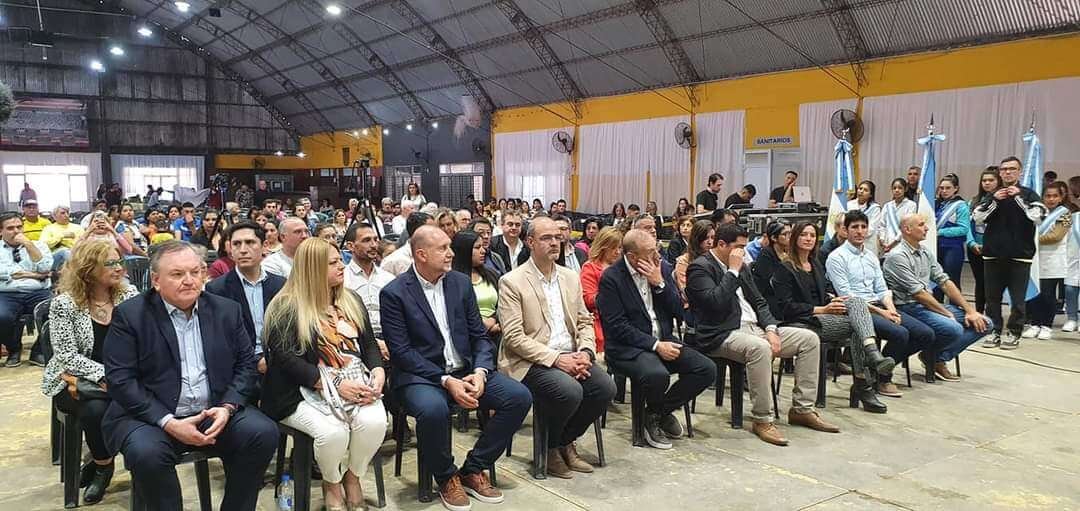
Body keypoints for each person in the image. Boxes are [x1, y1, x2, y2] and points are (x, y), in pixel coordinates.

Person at [101, 241, 278, 511]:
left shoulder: (226, 310)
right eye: (177, 274)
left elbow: (246, 365)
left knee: (262, 433)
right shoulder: (131, 315)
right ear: (157, 281)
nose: (189, 281)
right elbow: (120, 380)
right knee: (146, 453)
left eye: (195, 272)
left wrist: (227, 407)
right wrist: (168, 422)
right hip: (152, 415)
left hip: (214, 410)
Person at [380, 226, 531, 511]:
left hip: (466, 371)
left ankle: (473, 468)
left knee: (518, 397)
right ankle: (446, 476)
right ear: (421, 255)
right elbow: (402, 353)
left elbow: (479, 336)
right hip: (420, 377)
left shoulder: (460, 284)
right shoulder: (394, 293)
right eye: (443, 248)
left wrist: (481, 372)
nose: (451, 253)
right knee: (434, 409)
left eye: (450, 247)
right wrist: (445, 379)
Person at [261, 238, 386, 511]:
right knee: (333, 434)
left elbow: (368, 344)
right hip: (299, 392)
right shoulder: (285, 306)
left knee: (376, 421)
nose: (341, 266)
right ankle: (332, 483)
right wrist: (334, 384)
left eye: (340, 259)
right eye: (333, 263)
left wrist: (377, 371)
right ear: (312, 268)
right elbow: (286, 360)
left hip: (353, 382)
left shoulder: (349, 300)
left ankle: (352, 477)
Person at [685, 223, 836, 446]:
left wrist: (771, 329)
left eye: (745, 247)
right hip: (722, 333)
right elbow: (714, 303)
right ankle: (762, 419)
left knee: (809, 339)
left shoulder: (744, 267)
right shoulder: (700, 268)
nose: (742, 252)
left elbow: (759, 302)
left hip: (755, 328)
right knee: (760, 348)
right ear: (721, 245)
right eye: (738, 247)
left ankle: (802, 409)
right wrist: (733, 271)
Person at [497, 216, 614, 475]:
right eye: (546, 238)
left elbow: (585, 320)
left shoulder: (570, 277)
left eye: (558, 237)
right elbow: (515, 337)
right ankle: (549, 449)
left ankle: (562, 442)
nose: (555, 242)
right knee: (569, 391)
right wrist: (557, 359)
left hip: (571, 354)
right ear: (529, 242)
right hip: (530, 360)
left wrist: (585, 352)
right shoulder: (512, 281)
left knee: (605, 388)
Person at [40, 241, 138, 503]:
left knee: (125, 400)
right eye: (110, 263)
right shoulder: (65, 304)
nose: (119, 268)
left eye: (120, 262)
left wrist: (118, 376)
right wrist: (104, 375)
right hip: (73, 378)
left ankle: (97, 461)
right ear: (88, 268)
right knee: (96, 409)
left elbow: (141, 343)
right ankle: (105, 466)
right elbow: (66, 356)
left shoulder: (129, 296)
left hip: (119, 377)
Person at [599, 229, 715, 449]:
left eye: (656, 249)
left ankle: (655, 412)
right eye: (650, 252)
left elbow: (679, 312)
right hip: (628, 348)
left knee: (706, 369)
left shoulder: (661, 269)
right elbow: (617, 327)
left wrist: (660, 284)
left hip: (663, 339)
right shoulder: (612, 278)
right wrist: (655, 345)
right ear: (632, 257)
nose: (656, 255)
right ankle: (653, 419)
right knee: (657, 374)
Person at [772, 222, 894, 413]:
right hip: (801, 322)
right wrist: (822, 309)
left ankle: (868, 364)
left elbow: (825, 290)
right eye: (804, 234)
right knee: (857, 327)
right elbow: (785, 307)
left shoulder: (815, 264)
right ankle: (864, 383)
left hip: (824, 317)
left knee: (855, 305)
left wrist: (833, 298)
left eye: (812, 235)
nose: (809, 239)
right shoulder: (785, 268)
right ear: (795, 238)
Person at [826, 210, 937, 395]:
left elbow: (882, 288)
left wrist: (891, 309)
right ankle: (883, 379)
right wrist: (883, 313)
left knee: (926, 334)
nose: (860, 231)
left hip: (881, 306)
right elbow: (848, 296)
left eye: (863, 227)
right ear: (845, 230)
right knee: (900, 334)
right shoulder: (836, 257)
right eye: (855, 227)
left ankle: (878, 368)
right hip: (856, 310)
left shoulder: (870, 256)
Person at [884, 213, 993, 380]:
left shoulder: (924, 252)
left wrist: (970, 310)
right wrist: (946, 313)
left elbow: (944, 281)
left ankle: (936, 357)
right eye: (921, 225)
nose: (926, 228)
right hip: (908, 307)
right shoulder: (897, 256)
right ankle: (933, 356)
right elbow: (918, 293)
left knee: (985, 323)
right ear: (907, 229)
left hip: (926, 305)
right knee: (953, 328)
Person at [972, 156, 1045, 350]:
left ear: (1019, 171)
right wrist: (995, 201)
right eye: (1004, 169)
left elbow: (1037, 217)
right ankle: (994, 331)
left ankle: (1014, 333)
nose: (1007, 172)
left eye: (1012, 169)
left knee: (1017, 299)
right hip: (993, 254)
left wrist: (1019, 198)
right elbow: (978, 218)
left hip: (1020, 255)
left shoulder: (1029, 194)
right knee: (992, 298)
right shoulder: (993, 195)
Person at [204, 222, 285, 381]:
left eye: (250, 242)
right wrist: (255, 362)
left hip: (279, 363)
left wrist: (271, 359)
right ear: (230, 250)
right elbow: (221, 340)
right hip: (238, 368)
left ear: (264, 246)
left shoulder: (281, 285)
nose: (242, 250)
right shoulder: (216, 289)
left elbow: (288, 332)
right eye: (236, 244)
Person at [1022, 182, 1074, 340]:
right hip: (1035, 259)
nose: (1051, 199)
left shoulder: (1065, 213)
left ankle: (1046, 325)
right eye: (1047, 196)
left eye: (1055, 196)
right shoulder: (1038, 212)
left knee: (1048, 294)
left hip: (1053, 260)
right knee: (1034, 293)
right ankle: (1035, 324)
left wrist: (1029, 240)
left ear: (1061, 197)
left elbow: (1056, 236)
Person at [343, 223, 395, 363]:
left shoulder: (388, 278)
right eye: (366, 240)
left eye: (375, 239)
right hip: (356, 341)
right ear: (350, 246)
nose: (373, 245)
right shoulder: (342, 279)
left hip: (391, 339)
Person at [452, 231, 503, 348]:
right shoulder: (452, 279)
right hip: (468, 336)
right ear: (464, 250)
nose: (483, 251)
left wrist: (494, 320)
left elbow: (504, 303)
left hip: (496, 331)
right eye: (477, 247)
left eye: (483, 247)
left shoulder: (491, 274)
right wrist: (481, 324)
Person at [580, 227, 622, 354]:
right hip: (601, 321)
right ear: (603, 247)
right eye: (614, 248)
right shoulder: (590, 267)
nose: (617, 252)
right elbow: (588, 300)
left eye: (620, 248)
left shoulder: (622, 268)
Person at [967, 168, 1002, 313]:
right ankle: (979, 313)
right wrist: (971, 243)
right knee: (980, 282)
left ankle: (993, 314)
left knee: (994, 284)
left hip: (995, 249)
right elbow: (967, 226)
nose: (987, 183)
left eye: (991, 180)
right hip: (976, 248)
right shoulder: (974, 201)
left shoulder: (1003, 201)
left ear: (998, 182)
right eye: (984, 180)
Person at [934, 175, 970, 302]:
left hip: (953, 249)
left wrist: (941, 232)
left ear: (956, 188)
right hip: (937, 247)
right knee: (936, 281)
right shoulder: (937, 204)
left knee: (952, 281)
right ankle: (937, 311)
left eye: (948, 188)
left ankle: (956, 310)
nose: (944, 191)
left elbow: (963, 229)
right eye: (942, 188)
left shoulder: (961, 206)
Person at [380, 212, 434, 276]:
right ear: (416, 233)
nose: (436, 234)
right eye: (431, 231)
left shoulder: (437, 255)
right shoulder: (392, 261)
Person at [876, 178, 917, 256]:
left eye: (900, 188)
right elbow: (882, 225)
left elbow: (907, 226)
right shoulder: (887, 206)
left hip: (902, 244)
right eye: (894, 188)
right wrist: (882, 240)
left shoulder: (911, 205)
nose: (897, 190)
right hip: (886, 245)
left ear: (905, 189)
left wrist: (893, 243)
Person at [41, 206, 85, 270]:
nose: (66, 215)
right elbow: (44, 245)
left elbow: (84, 242)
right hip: (56, 257)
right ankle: (80, 269)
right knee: (64, 251)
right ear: (54, 216)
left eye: (67, 213)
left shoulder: (78, 228)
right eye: (62, 213)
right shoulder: (48, 228)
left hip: (76, 254)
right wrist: (61, 236)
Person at [848, 180, 882, 259]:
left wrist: (857, 233)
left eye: (865, 190)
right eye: (860, 189)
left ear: (870, 194)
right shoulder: (849, 204)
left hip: (868, 244)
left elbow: (871, 228)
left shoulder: (875, 208)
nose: (861, 191)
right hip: (851, 242)